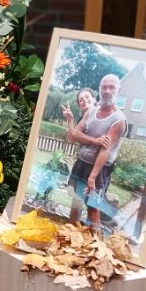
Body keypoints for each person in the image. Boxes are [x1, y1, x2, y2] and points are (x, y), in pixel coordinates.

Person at [64, 74, 127, 231]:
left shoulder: (119, 120)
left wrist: (92, 177)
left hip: (99, 170)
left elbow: (105, 150)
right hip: (81, 164)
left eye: (111, 87)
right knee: (76, 201)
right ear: (99, 90)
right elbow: (75, 135)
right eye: (104, 87)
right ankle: (70, 236)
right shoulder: (91, 111)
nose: (107, 91)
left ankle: (94, 243)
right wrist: (95, 141)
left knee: (93, 207)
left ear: (119, 91)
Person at [61, 88, 96, 223]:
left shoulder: (98, 115)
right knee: (76, 198)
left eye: (87, 97)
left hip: (94, 166)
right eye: (81, 100)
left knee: (92, 204)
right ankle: (72, 228)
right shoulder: (84, 118)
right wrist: (70, 120)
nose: (84, 100)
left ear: (94, 99)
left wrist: (88, 139)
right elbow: (72, 138)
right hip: (81, 163)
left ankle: (90, 233)